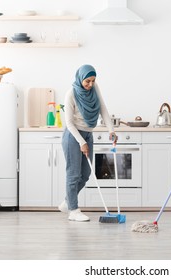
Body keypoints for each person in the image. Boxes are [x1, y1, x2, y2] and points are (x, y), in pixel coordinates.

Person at [59, 64, 116, 222]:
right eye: (87, 81)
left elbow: (102, 108)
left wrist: (111, 130)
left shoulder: (94, 88)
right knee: (73, 174)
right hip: (73, 136)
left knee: (85, 174)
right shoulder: (71, 94)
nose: (90, 84)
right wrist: (81, 142)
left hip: (88, 134)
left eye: (93, 80)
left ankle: (67, 201)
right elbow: (69, 123)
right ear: (80, 79)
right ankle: (73, 210)